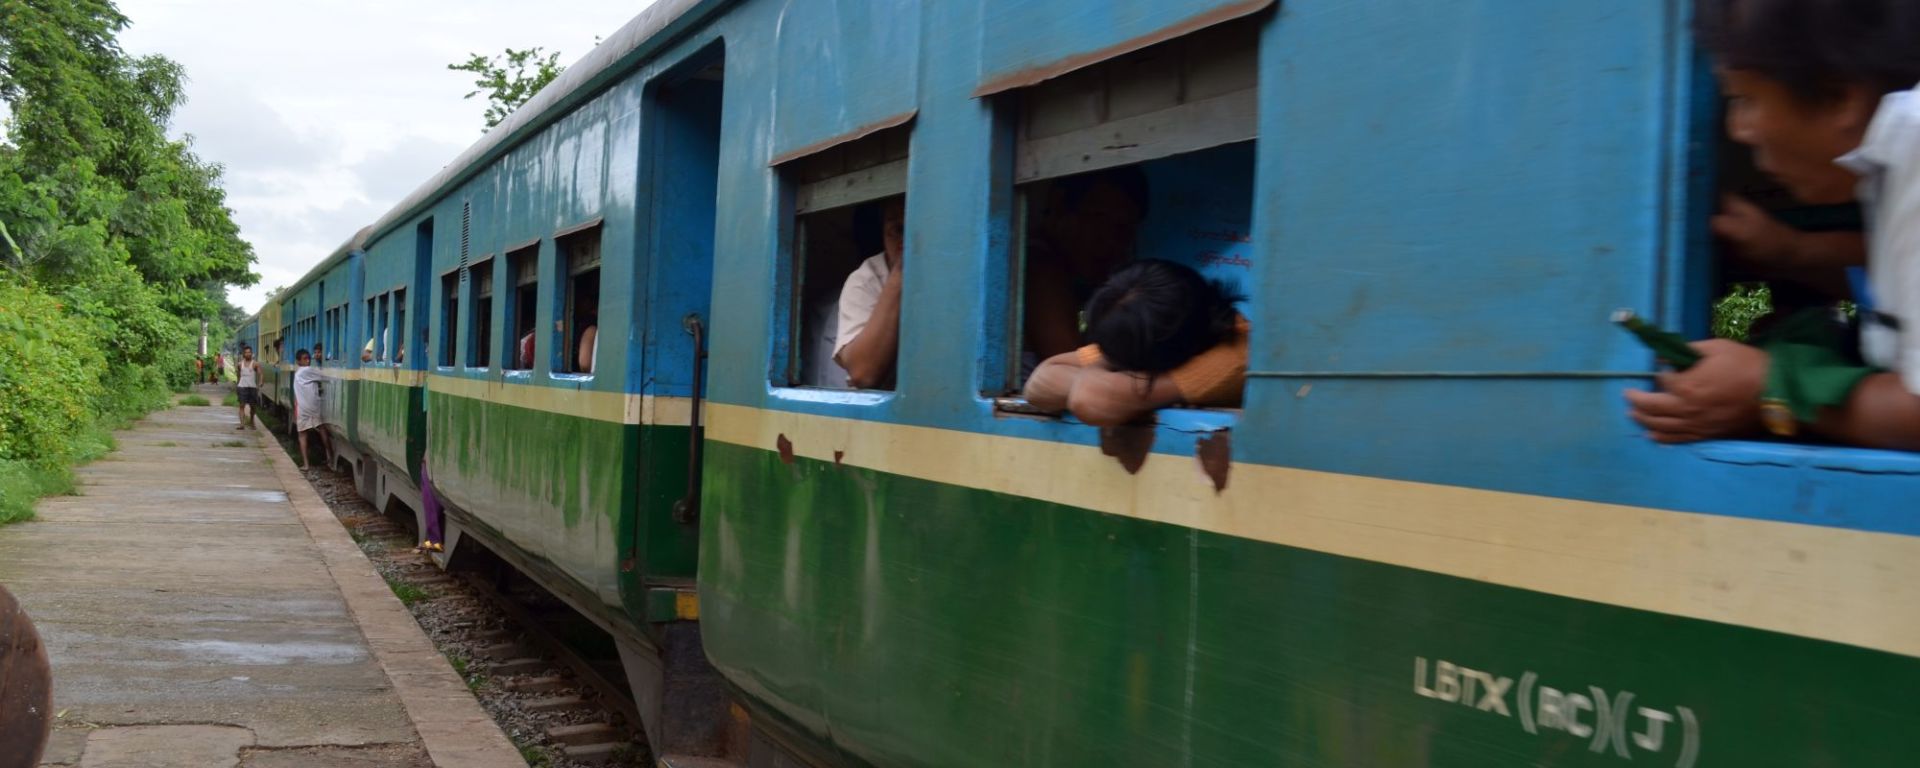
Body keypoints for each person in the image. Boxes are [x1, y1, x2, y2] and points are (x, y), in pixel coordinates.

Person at [1626, 0, 1920, 450]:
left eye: (1745, 100)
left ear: (1841, 97)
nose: (1737, 129)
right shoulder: (1884, 165)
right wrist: (1792, 252)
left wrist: (1769, 386)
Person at [1024, 259, 1249, 426]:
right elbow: (1039, 384)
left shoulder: (1234, 359)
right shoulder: (1172, 329)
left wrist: (1107, 376)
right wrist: (1111, 373)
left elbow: (1088, 400)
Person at [1024, 167, 1151, 361]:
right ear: (1059, 208)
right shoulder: (1042, 268)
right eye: (1097, 218)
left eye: (1123, 229)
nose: (1110, 240)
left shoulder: (1075, 276)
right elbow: (1070, 363)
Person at [833, 197, 907, 389]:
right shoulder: (867, 280)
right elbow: (863, 374)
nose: (906, 239)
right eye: (898, 230)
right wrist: (901, 271)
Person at [292, 348, 332, 470]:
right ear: (299, 361)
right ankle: (330, 455)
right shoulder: (307, 370)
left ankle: (306, 464)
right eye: (305, 358)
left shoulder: (298, 372)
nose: (308, 360)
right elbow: (326, 377)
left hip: (302, 407)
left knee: (302, 435)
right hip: (313, 406)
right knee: (321, 428)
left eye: (308, 358)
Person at [234, 345, 260, 430]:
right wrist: (237, 385)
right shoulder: (239, 364)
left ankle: (252, 421)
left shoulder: (255, 364)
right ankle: (242, 424)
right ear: (243, 354)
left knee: (253, 406)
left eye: (249, 352)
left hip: (252, 387)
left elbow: (261, 373)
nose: (248, 354)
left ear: (252, 353)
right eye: (246, 352)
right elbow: (238, 375)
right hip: (242, 387)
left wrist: (261, 382)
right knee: (242, 405)